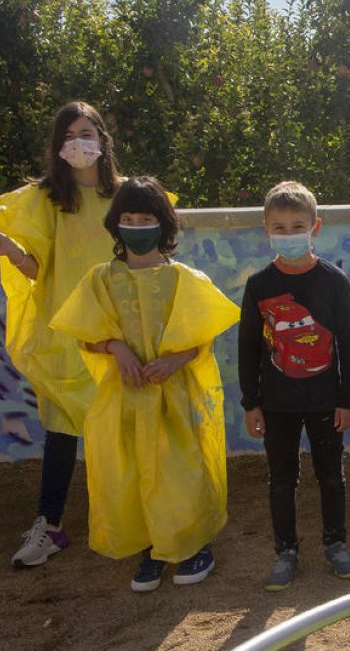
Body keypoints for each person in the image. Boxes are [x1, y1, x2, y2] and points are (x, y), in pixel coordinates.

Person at [49, 177, 239, 592]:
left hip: (174, 396)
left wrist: (174, 358)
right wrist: (116, 346)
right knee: (131, 471)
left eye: (146, 218)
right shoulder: (101, 279)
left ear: (164, 224)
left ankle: (191, 546)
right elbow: (84, 332)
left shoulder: (183, 279)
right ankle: (150, 547)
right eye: (128, 218)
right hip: (126, 397)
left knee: (179, 470)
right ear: (116, 224)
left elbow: (201, 334)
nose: (137, 226)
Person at [0, 101, 124, 567]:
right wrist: (12, 250)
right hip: (64, 331)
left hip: (118, 330)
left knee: (121, 426)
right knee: (61, 430)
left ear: (103, 139)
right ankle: (50, 525)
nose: (79, 143)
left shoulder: (125, 198)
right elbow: (39, 268)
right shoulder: (47, 201)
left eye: (87, 133)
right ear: (58, 146)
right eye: (69, 135)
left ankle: (129, 520)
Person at [238, 182, 350, 591]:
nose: (288, 233)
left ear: (315, 227)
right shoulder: (258, 285)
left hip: (327, 401)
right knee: (281, 479)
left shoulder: (334, 281)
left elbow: (347, 342)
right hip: (276, 404)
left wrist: (348, 399)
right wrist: (250, 402)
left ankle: (336, 544)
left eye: (297, 225)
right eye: (279, 226)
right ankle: (285, 551)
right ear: (266, 229)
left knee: (331, 476)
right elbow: (248, 349)